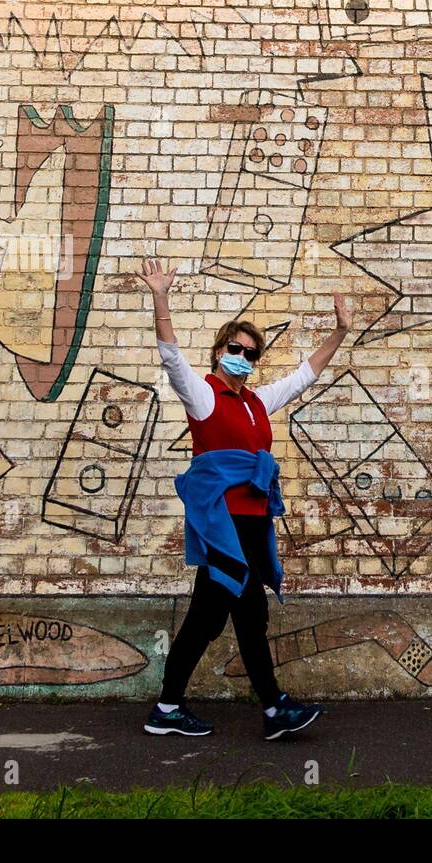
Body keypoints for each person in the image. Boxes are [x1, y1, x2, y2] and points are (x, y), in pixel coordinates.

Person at [136, 257, 351, 740]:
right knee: (210, 618)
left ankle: (261, 709)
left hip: (253, 524)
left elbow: (304, 376)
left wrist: (339, 332)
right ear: (219, 350)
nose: (243, 357)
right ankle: (182, 708)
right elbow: (170, 356)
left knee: (248, 617)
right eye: (236, 348)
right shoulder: (204, 396)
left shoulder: (257, 402)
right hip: (223, 526)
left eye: (251, 354)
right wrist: (160, 297)